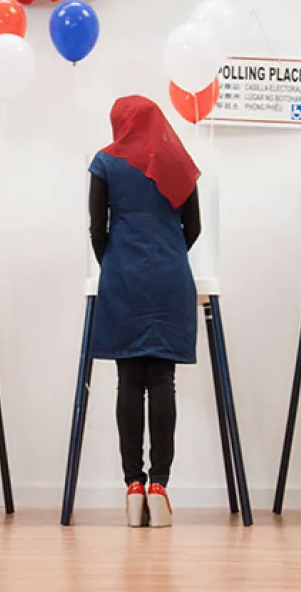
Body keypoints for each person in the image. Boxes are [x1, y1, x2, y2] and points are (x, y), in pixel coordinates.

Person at [89, 95, 201, 528]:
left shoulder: (105, 162)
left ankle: (132, 484)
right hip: (171, 275)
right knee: (163, 378)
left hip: (122, 275)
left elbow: (96, 229)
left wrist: (115, 262)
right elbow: (193, 228)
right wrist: (170, 253)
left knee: (128, 380)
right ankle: (160, 484)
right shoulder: (179, 160)